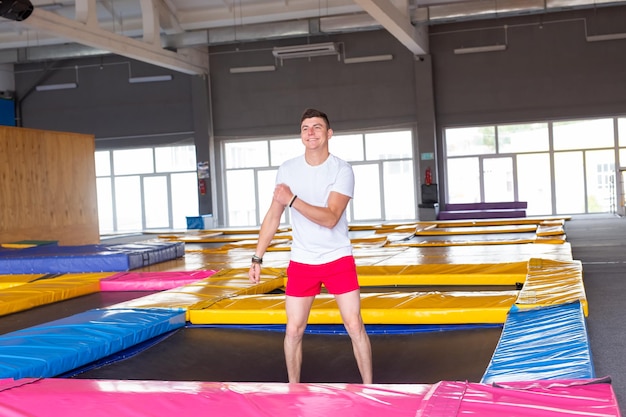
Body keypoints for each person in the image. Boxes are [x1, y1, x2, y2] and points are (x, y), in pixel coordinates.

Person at [248, 108, 373, 384]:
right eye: (305, 128)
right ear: (301, 135)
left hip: (337, 257)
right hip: (302, 260)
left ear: (329, 134)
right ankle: (294, 388)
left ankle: (370, 388)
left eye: (317, 127)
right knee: (293, 330)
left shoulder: (342, 169)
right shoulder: (288, 169)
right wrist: (257, 257)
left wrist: (292, 199)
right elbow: (273, 216)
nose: (311, 132)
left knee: (354, 325)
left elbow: (330, 218)